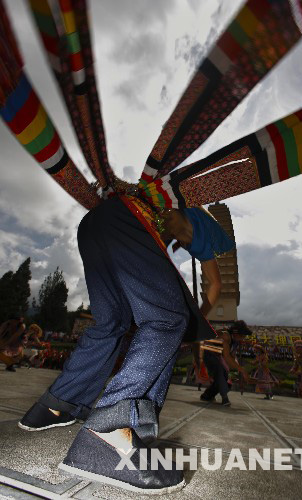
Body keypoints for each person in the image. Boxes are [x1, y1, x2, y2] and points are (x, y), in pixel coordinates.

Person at [18, 193, 235, 494]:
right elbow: (215, 285)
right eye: (184, 241)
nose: (184, 245)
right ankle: (111, 428)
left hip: (95, 223)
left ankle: (54, 407)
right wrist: (191, 321)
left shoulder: (163, 215)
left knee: (111, 323)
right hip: (127, 219)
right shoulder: (195, 229)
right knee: (168, 317)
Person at [200, 320, 251, 406]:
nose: (244, 337)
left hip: (218, 357)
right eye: (242, 335)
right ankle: (224, 398)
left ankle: (207, 395)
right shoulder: (226, 336)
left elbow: (232, 357)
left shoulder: (235, 341)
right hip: (209, 353)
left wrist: (237, 370)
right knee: (219, 372)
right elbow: (227, 357)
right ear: (236, 333)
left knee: (225, 377)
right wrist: (242, 370)